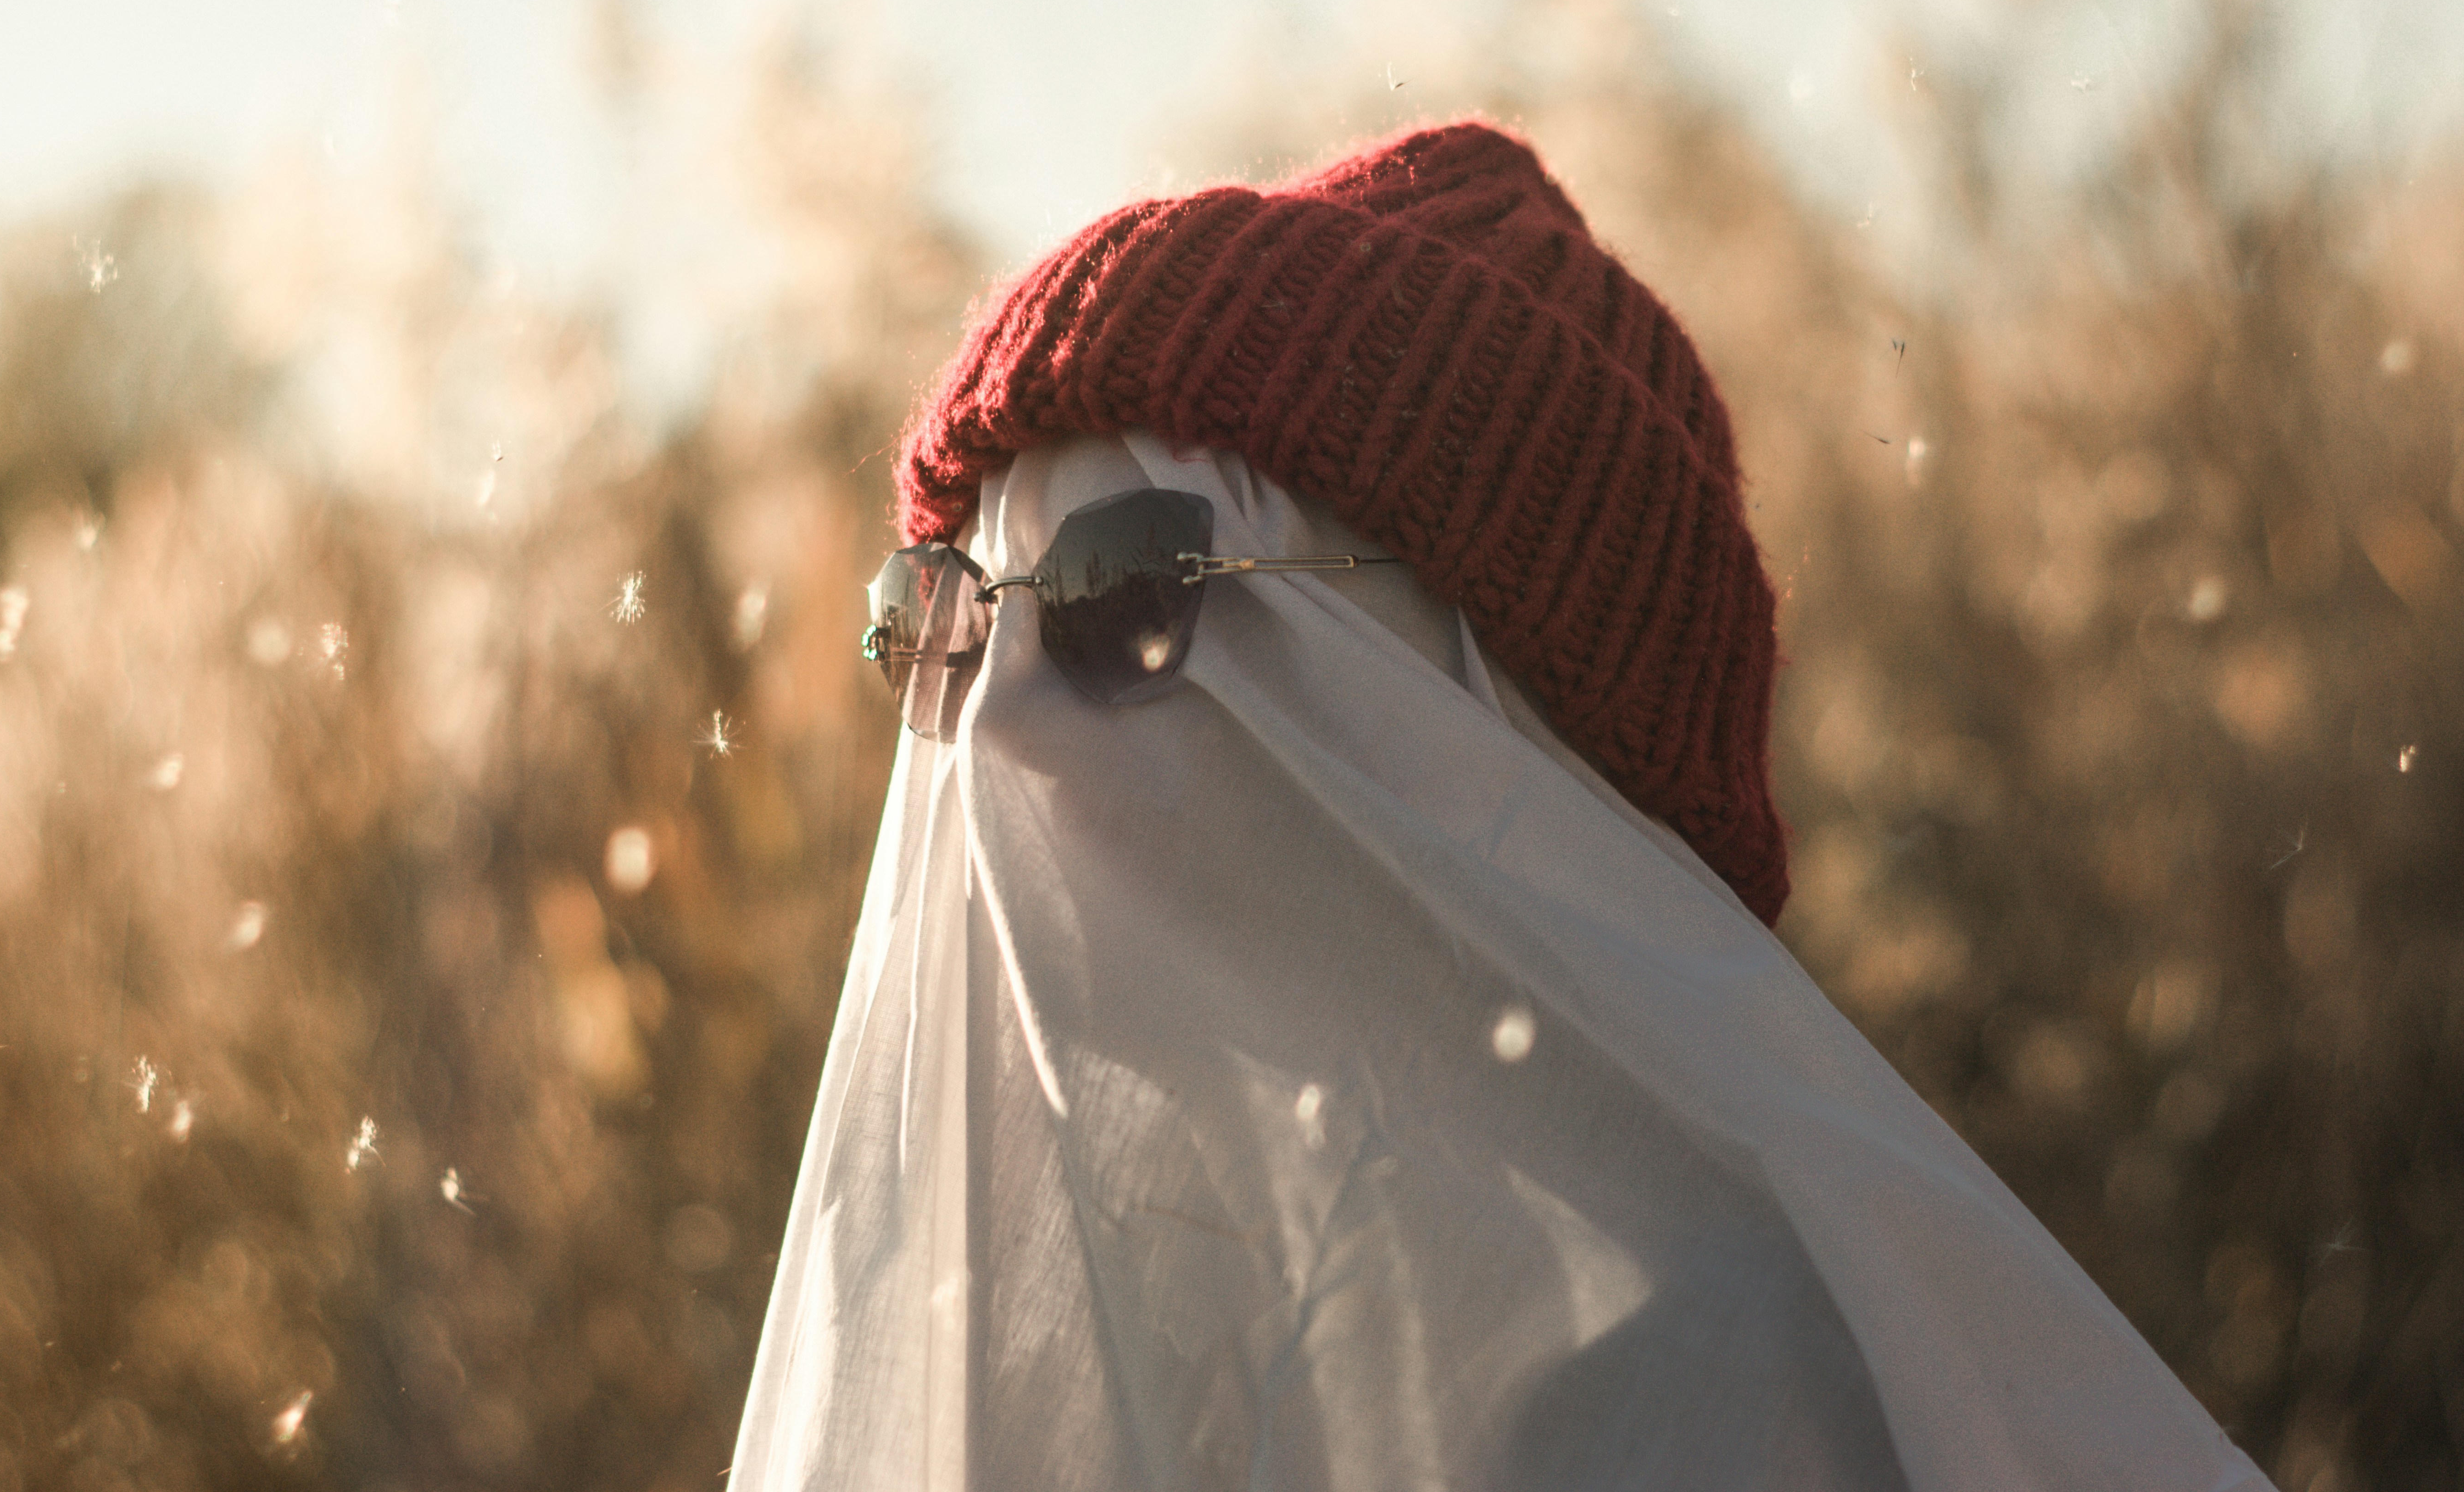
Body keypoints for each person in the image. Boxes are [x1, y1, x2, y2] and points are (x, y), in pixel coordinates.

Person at [729, 123, 2270, 1490]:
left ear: (1468, 728)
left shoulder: (1770, 1400)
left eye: (1125, 588)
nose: (995, 725)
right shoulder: (1059, 1349)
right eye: (944, 613)